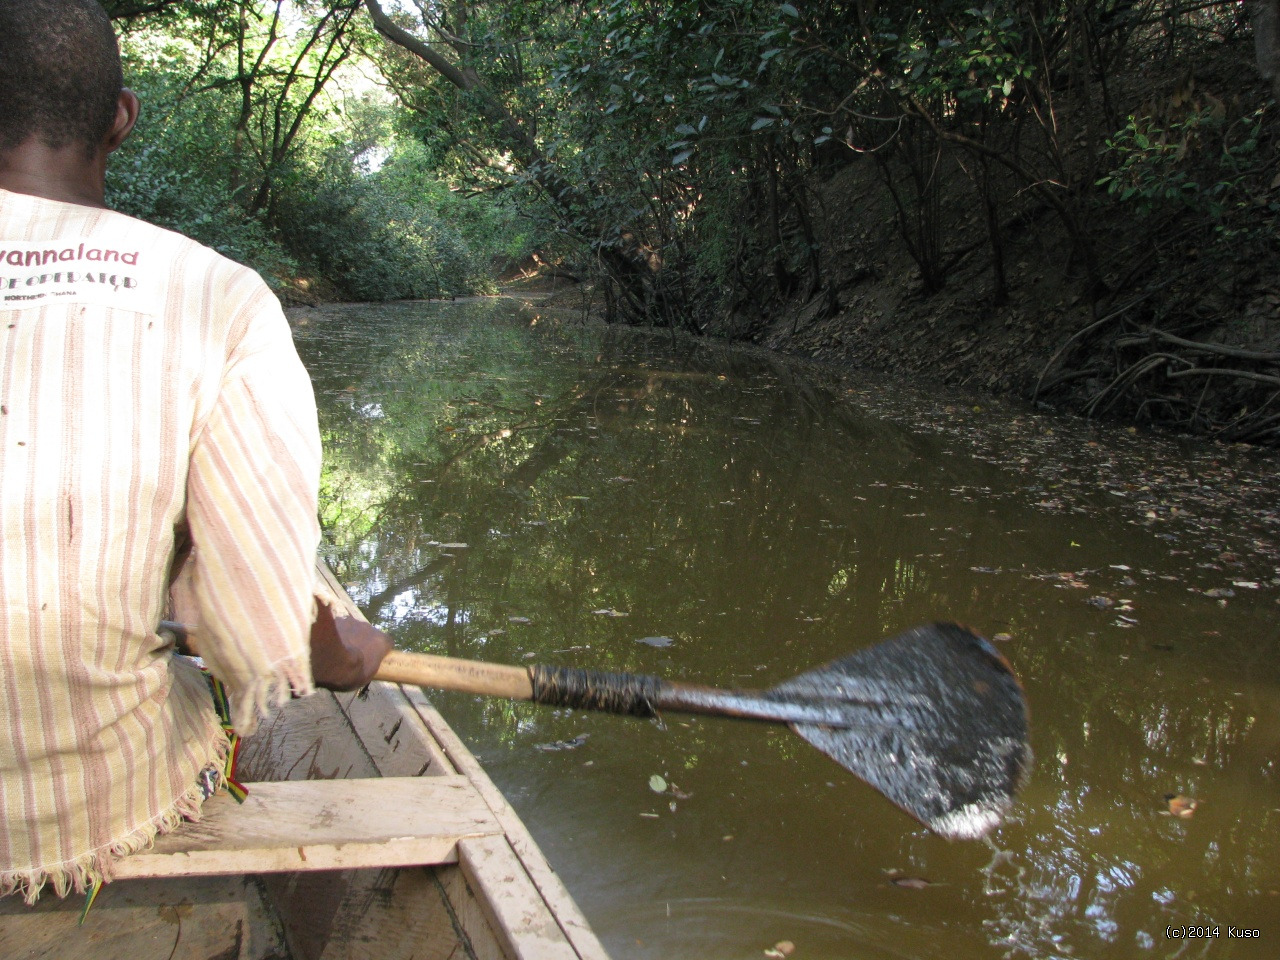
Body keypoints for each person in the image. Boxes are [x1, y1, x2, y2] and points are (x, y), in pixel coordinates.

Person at [0, 0, 391, 904]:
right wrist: (327, 650)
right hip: (84, 811)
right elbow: (254, 643)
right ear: (122, 119)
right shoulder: (217, 296)